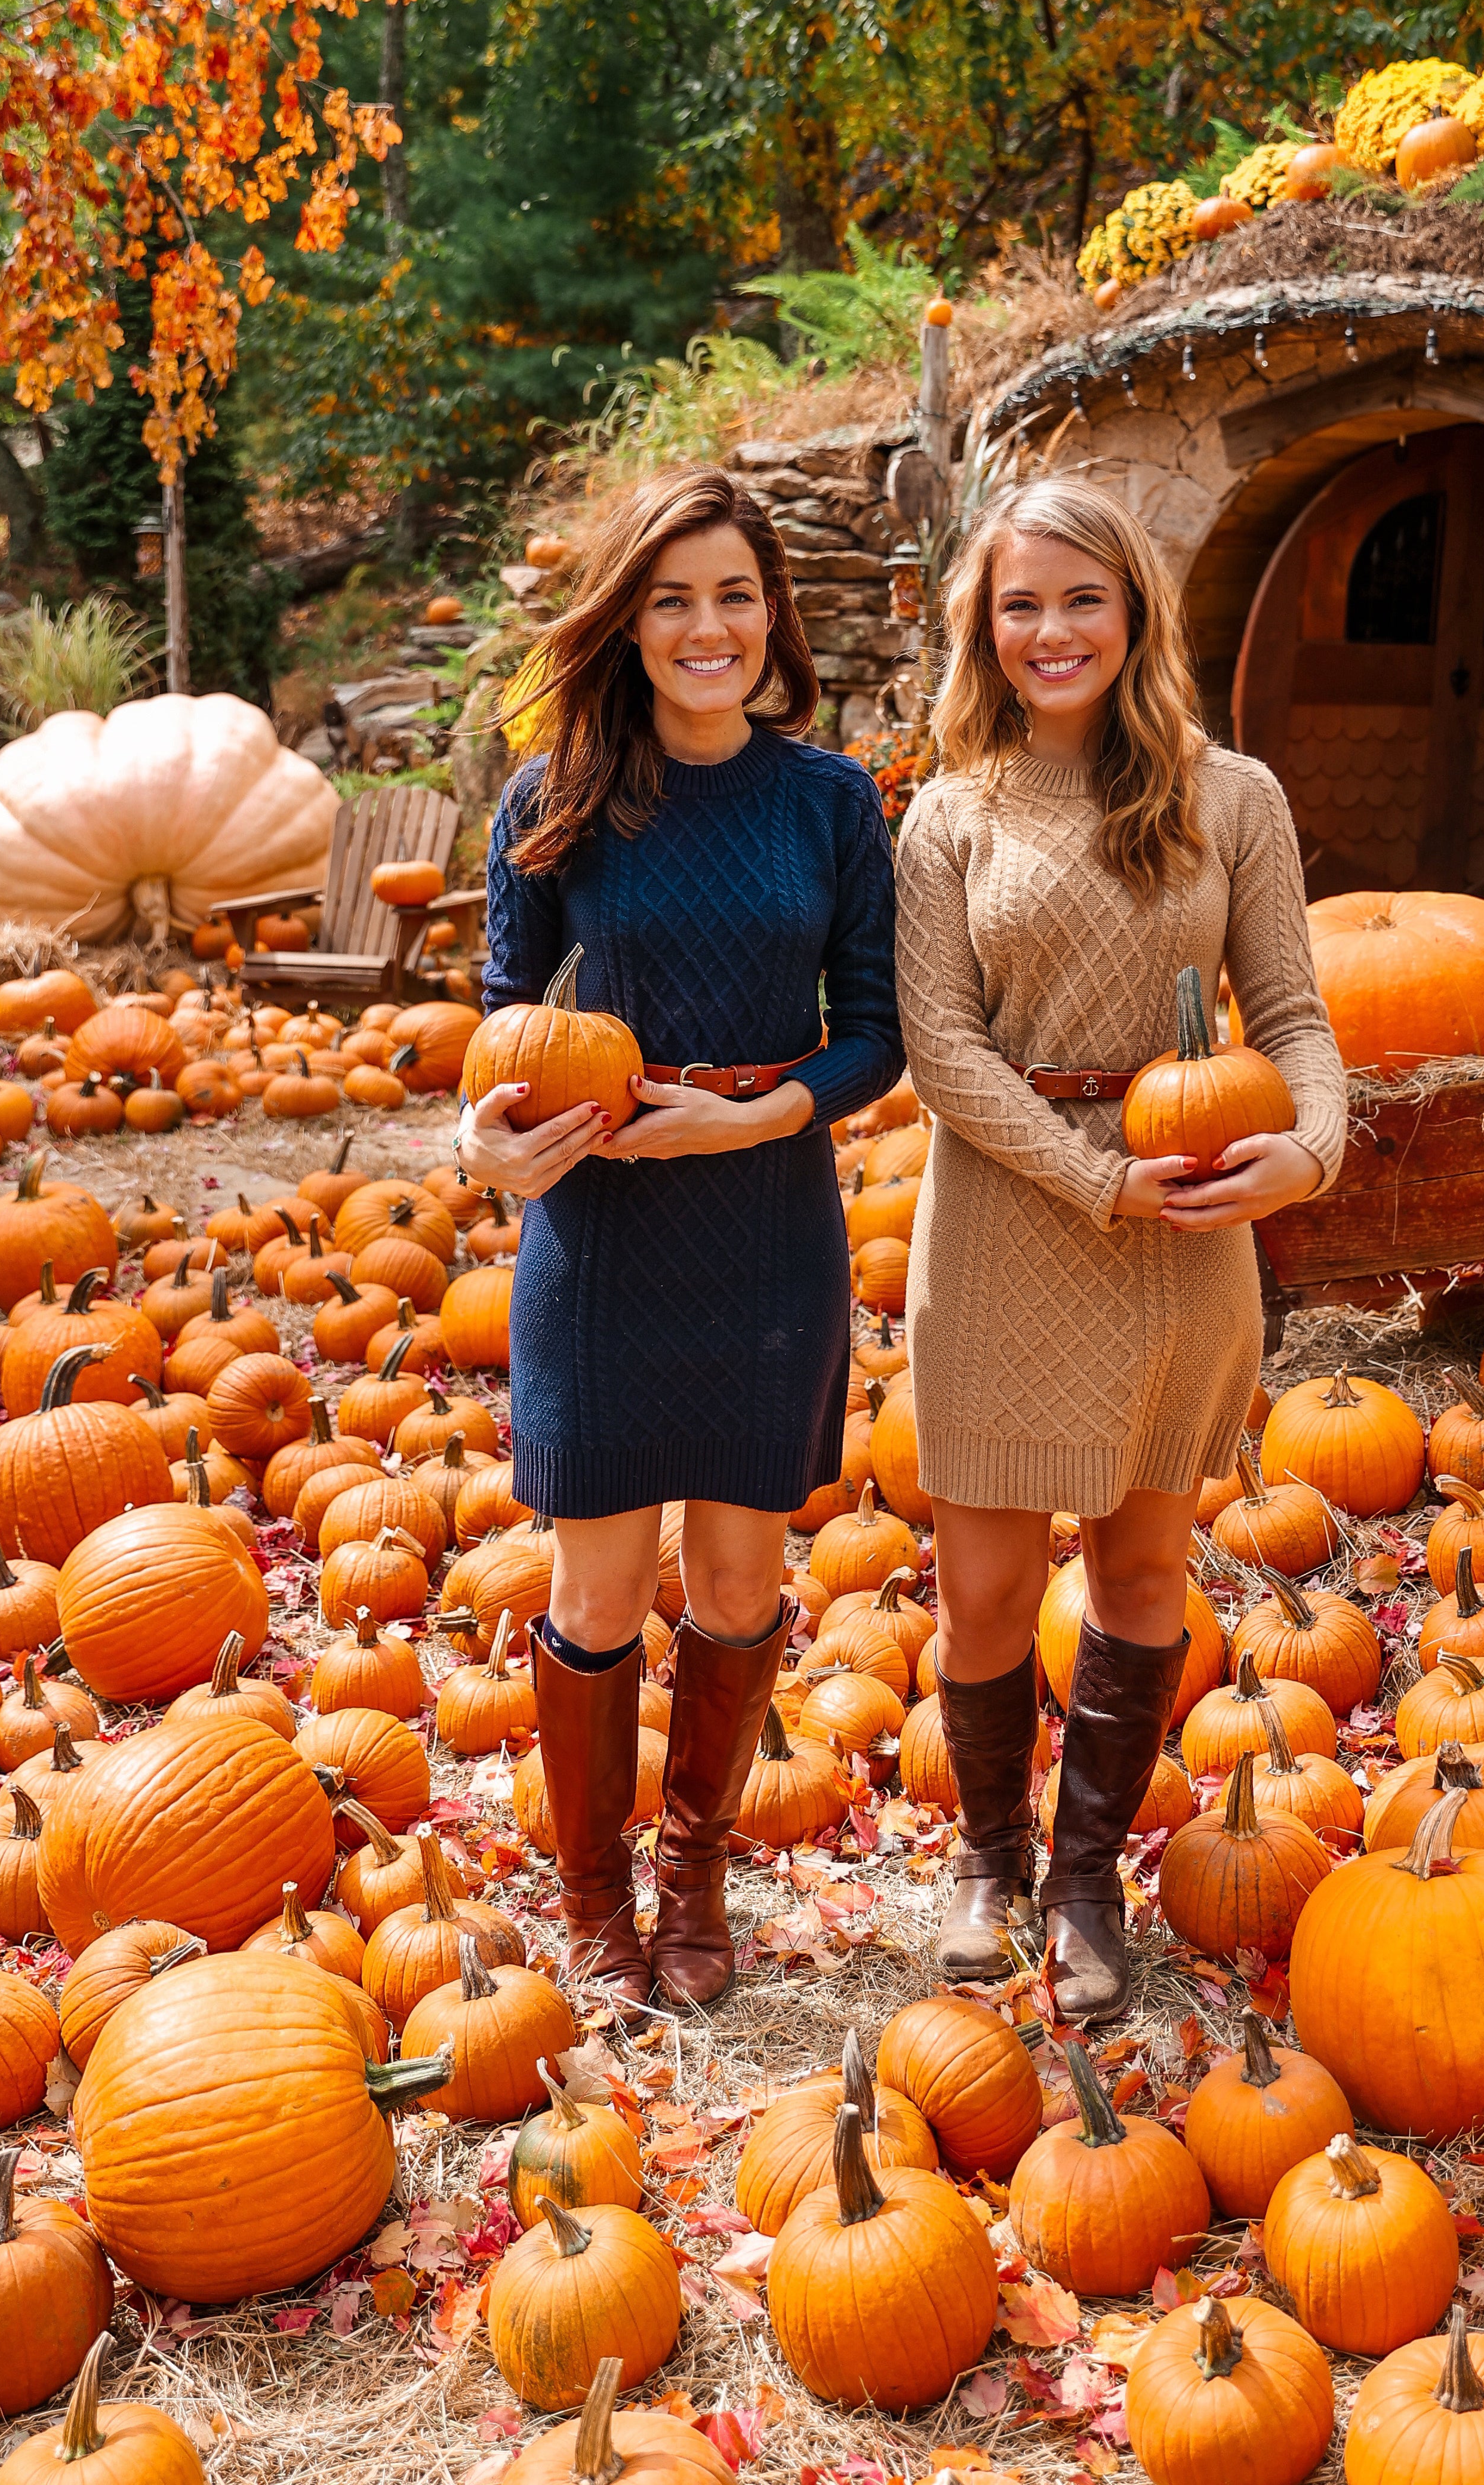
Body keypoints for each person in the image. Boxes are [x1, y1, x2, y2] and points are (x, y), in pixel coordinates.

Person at [893, 475, 1344, 2026]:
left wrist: (1304, 1149)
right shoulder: (947, 817)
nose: (1051, 630)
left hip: (1188, 1230)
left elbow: (1291, 1019)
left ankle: (1084, 1881)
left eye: (1081, 597)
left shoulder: (1236, 800)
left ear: (1134, 611)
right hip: (1010, 1221)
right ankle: (988, 1858)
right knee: (982, 1595)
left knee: (1143, 1570)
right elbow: (938, 1052)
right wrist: (1094, 1180)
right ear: (984, 628)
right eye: (1020, 604)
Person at [455, 465, 903, 2012]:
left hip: (765, 1232)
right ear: (627, 620)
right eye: (672, 599)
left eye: (731, 595)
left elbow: (879, 1037)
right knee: (591, 1599)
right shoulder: (559, 794)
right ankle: (594, 1898)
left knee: (732, 1583)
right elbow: (506, 1019)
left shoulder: (829, 802)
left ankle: (693, 1879)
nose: (706, 627)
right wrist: (485, 1142)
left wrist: (761, 1113)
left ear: (770, 611)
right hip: (599, 1241)